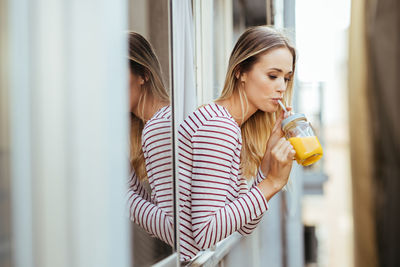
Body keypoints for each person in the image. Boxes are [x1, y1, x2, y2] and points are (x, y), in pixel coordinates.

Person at [177, 26, 297, 261]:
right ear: (240, 71)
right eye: (273, 76)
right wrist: (273, 182)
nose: (282, 87)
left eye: (287, 78)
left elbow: (244, 226)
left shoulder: (231, 126)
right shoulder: (218, 126)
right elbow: (205, 233)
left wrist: (266, 164)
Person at [126, 32, 174, 246]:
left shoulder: (160, 127)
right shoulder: (166, 119)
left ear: (144, 74)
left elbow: (173, 230)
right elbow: (160, 219)